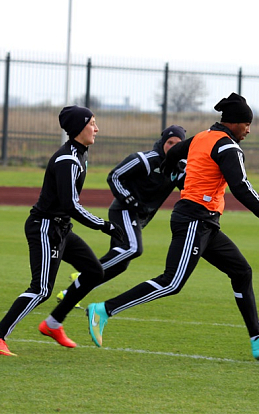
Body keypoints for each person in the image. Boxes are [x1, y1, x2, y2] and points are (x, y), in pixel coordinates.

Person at [86, 93, 259, 360]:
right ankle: (103, 310)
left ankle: (258, 340)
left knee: (241, 271)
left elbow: (173, 153)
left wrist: (171, 169)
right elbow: (241, 187)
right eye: (247, 124)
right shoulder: (227, 147)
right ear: (234, 122)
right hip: (195, 219)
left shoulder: (203, 137)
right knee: (171, 282)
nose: (249, 130)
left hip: (205, 222)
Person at [0, 105, 123, 356]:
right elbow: (71, 205)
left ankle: (53, 323)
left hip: (60, 228)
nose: (97, 129)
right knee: (41, 289)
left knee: (94, 272)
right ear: (79, 128)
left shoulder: (80, 154)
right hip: (45, 228)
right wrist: (105, 225)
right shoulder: (68, 160)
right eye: (92, 123)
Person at [49, 125, 187, 330]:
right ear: (162, 142)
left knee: (120, 264)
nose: (173, 147)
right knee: (133, 248)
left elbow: (188, 186)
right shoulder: (145, 160)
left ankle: (72, 291)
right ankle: (86, 274)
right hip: (123, 210)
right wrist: (130, 200)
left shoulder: (178, 166)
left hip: (139, 217)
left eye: (178, 144)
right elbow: (114, 176)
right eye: (170, 142)